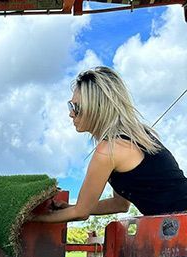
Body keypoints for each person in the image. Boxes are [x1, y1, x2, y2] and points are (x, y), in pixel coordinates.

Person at [31, 66, 187, 224]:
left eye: (75, 107)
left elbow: (81, 213)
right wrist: (71, 207)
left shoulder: (110, 150)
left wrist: (31, 218)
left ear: (96, 108)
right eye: (70, 106)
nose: (70, 113)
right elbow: (119, 204)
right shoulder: (134, 138)